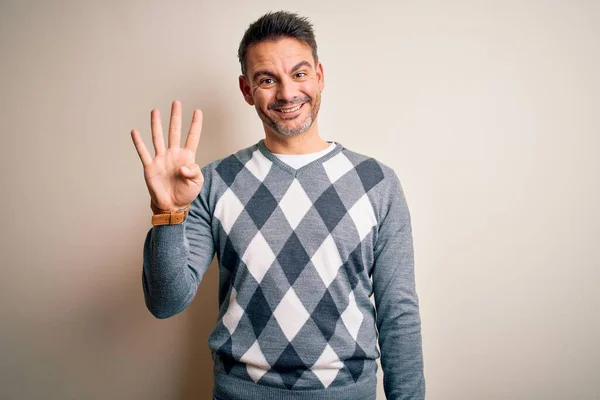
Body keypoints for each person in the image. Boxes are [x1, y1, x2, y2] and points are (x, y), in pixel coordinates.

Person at [131, 11, 425, 400]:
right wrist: (167, 214)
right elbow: (166, 303)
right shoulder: (212, 182)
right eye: (267, 80)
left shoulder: (377, 183)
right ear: (246, 89)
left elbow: (398, 314)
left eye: (299, 74)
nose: (287, 93)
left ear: (320, 75)